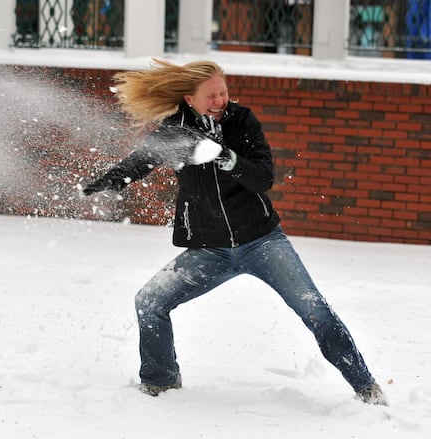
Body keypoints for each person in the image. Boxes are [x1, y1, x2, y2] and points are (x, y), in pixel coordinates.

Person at [82, 58, 387, 405]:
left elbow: (264, 178)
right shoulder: (174, 132)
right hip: (209, 250)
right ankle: (160, 379)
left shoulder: (242, 122)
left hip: (262, 242)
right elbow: (140, 162)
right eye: (211, 96)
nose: (219, 101)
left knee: (314, 309)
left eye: (223, 93)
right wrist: (105, 183)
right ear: (189, 99)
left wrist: (227, 158)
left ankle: (366, 387)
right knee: (149, 302)